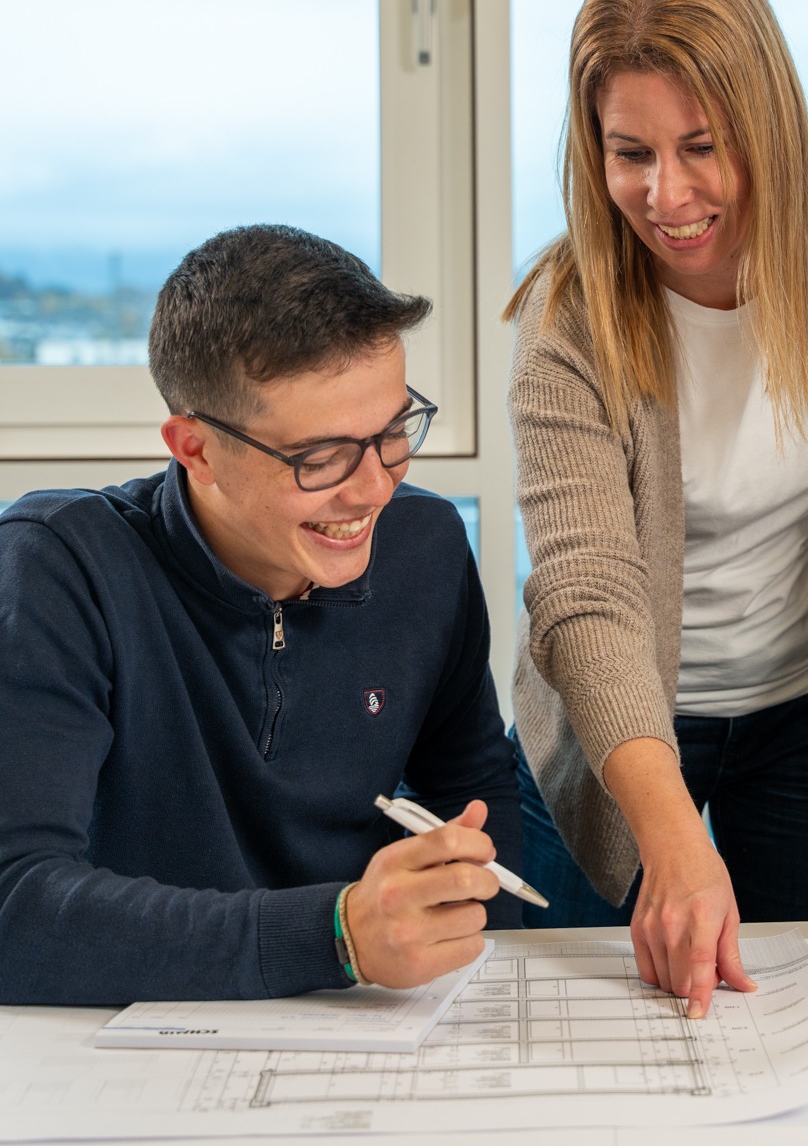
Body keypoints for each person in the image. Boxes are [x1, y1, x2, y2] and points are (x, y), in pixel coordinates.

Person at [503, 0, 808, 1018]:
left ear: (767, 122)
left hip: (806, 705)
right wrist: (671, 845)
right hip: (621, 724)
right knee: (583, 1012)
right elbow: (586, 596)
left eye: (702, 145)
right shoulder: (565, 318)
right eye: (629, 153)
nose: (666, 195)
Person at [0, 223, 521, 1006]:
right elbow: (17, 907)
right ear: (195, 448)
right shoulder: (57, 567)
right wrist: (337, 935)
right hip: (128, 1037)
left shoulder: (428, 545)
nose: (375, 488)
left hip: (374, 1018)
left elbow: (474, 786)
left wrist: (474, 961)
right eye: (321, 458)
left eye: (391, 434)